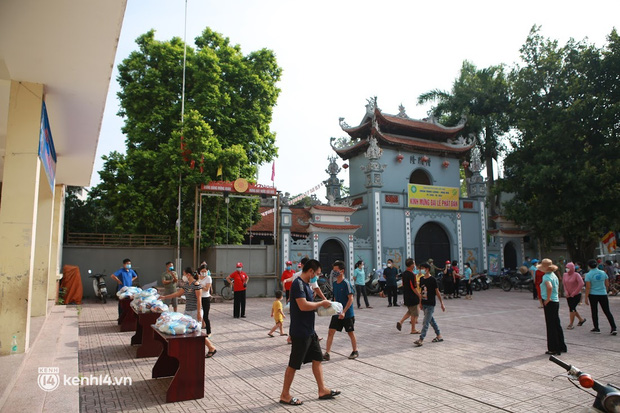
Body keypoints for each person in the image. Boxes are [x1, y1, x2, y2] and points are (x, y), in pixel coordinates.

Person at [279, 259, 340, 406]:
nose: (317, 277)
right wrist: (321, 303)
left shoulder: (307, 284)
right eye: (317, 274)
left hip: (310, 331)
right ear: (311, 271)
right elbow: (303, 305)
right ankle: (285, 395)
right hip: (300, 332)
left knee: (317, 358)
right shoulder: (298, 284)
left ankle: (322, 390)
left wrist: (322, 306)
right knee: (294, 364)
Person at [160, 267, 217, 358]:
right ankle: (189, 350)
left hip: (195, 311)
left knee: (197, 332)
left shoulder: (196, 284)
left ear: (188, 275)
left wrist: (199, 313)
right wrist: (165, 297)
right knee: (188, 331)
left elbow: (199, 300)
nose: (183, 276)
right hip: (187, 311)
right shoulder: (186, 285)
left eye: (184, 274)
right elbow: (177, 294)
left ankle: (211, 347)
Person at [324, 260, 358, 361]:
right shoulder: (335, 284)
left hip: (347, 314)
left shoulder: (346, 283)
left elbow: (350, 299)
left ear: (342, 271)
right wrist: (332, 307)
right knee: (331, 332)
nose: (334, 273)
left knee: (350, 332)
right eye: (333, 270)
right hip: (337, 313)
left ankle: (355, 351)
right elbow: (335, 298)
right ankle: (327, 353)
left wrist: (344, 312)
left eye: (336, 270)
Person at [537, 259, 567, 355]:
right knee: (556, 324)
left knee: (551, 325)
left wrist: (548, 298)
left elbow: (549, 287)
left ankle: (553, 348)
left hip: (550, 302)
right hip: (555, 301)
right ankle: (561, 346)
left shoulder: (546, 277)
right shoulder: (554, 275)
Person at [414, 262, 445, 346]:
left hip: (430, 303)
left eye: (422, 268)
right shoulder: (422, 279)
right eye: (420, 269)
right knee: (431, 320)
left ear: (427, 269)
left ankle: (421, 339)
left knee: (425, 322)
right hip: (424, 303)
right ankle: (439, 335)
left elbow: (437, 292)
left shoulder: (432, 280)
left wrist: (441, 303)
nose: (421, 270)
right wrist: (420, 303)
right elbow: (421, 292)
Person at [585, 259, 617, 335]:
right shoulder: (603, 273)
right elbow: (607, 284)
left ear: (589, 266)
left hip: (593, 294)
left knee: (594, 311)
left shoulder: (588, 275)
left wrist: (586, 297)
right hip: (603, 293)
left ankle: (596, 328)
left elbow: (588, 287)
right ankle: (613, 328)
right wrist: (605, 290)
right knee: (607, 311)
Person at [397, 258, 422, 334]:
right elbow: (413, 287)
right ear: (411, 265)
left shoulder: (404, 274)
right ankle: (413, 329)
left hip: (406, 295)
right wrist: (419, 295)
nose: (414, 265)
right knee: (414, 313)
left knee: (410, 311)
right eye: (414, 263)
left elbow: (404, 284)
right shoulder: (412, 275)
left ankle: (401, 322)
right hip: (412, 296)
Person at [562, 262, 586, 330]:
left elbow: (581, 284)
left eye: (568, 268)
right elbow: (564, 284)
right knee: (572, 308)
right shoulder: (565, 275)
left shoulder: (576, 275)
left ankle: (571, 324)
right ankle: (581, 319)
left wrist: (574, 293)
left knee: (572, 308)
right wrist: (566, 292)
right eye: (566, 268)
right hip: (568, 295)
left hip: (576, 295)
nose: (567, 269)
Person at [197, 264, 212, 336]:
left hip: (206, 298)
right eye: (202, 271)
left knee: (205, 316)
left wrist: (201, 285)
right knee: (198, 314)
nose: (203, 273)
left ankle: (208, 332)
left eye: (205, 271)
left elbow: (207, 289)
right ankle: (197, 330)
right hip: (198, 297)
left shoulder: (208, 278)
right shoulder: (198, 277)